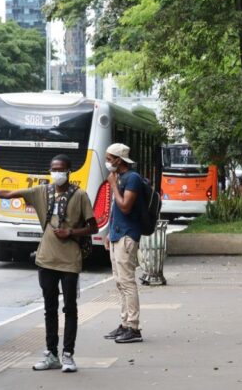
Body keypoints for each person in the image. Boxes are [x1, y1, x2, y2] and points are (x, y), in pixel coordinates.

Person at [0, 154, 97, 373]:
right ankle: (52, 354)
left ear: (69, 171)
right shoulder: (41, 192)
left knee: (70, 309)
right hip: (45, 260)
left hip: (70, 261)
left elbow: (93, 227)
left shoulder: (80, 196)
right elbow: (7, 193)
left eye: (60, 169)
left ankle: (68, 355)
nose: (56, 173)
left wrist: (71, 231)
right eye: (53, 169)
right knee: (49, 309)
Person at [103, 143, 146, 344]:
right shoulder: (119, 178)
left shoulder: (132, 179)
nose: (107, 162)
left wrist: (113, 185)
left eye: (109, 158)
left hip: (127, 236)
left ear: (119, 160)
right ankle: (124, 323)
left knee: (127, 282)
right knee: (120, 283)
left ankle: (133, 327)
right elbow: (115, 211)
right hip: (116, 235)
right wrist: (108, 233)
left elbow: (126, 207)